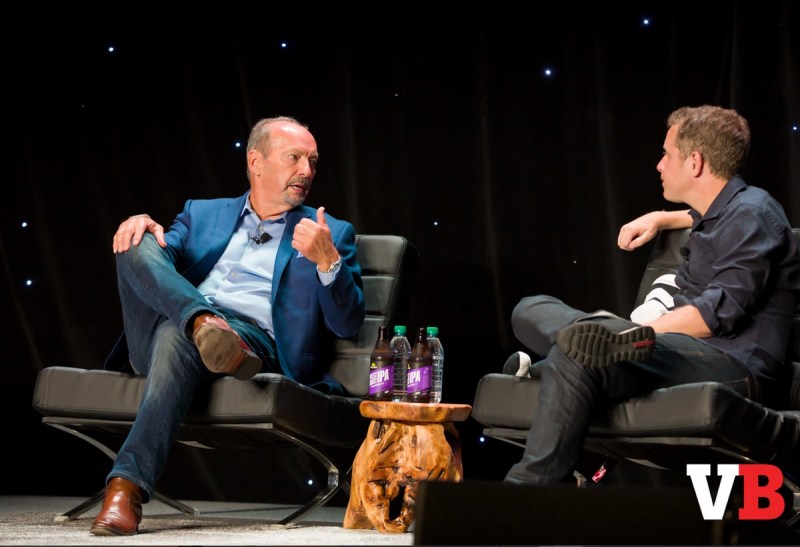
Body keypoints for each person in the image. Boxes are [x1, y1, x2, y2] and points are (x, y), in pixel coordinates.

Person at [90, 116, 366, 536]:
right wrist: (141, 225)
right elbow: (160, 259)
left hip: (251, 343)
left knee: (174, 335)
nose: (306, 171)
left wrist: (328, 260)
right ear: (255, 162)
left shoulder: (330, 231)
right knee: (137, 240)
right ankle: (201, 320)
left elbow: (348, 324)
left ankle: (125, 488)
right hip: (172, 330)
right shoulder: (202, 213)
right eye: (294, 158)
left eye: (312, 161)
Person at [504, 105, 800, 486]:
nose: (659, 165)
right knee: (528, 310)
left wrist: (638, 334)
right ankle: (590, 339)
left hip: (733, 365)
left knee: (576, 354)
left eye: (667, 155)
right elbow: (700, 215)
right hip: (674, 350)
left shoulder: (754, 214)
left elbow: (715, 315)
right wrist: (660, 216)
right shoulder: (719, 214)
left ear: (694, 162)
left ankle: (524, 491)